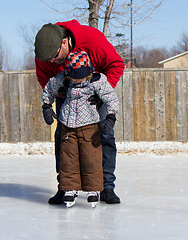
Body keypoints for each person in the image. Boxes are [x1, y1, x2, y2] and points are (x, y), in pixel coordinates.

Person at [34, 19, 125, 204]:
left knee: (103, 136)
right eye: (48, 59)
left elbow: (116, 65)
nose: (52, 61)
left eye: (55, 57)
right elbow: (45, 79)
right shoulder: (45, 53)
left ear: (64, 42)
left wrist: (101, 93)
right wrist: (54, 97)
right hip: (66, 96)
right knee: (63, 138)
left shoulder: (93, 40)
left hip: (94, 94)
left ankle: (107, 187)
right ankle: (65, 187)